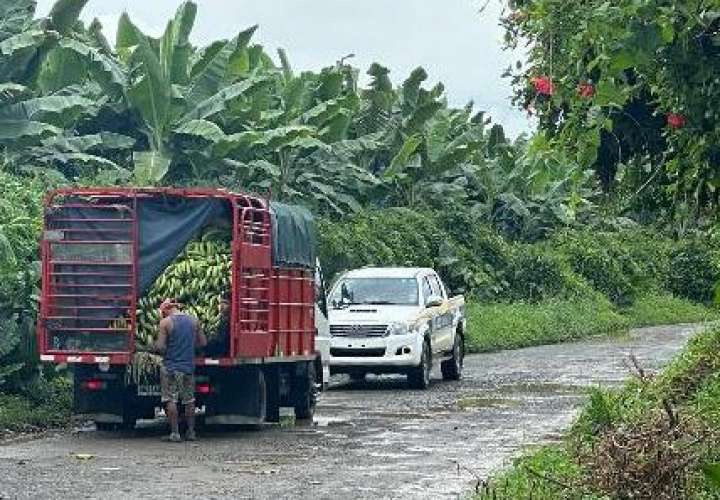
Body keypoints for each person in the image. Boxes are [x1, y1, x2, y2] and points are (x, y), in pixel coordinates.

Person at [154, 298, 207, 442]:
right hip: (188, 366)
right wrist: (189, 347)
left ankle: (175, 433)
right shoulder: (194, 321)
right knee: (189, 400)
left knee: (170, 399)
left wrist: (154, 347)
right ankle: (191, 432)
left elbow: (160, 347)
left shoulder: (165, 323)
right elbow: (203, 342)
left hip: (170, 366)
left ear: (165, 309)